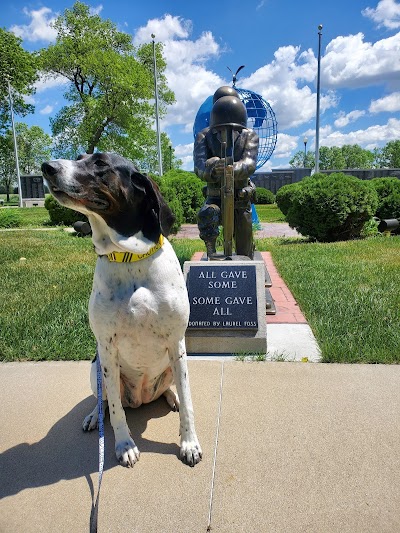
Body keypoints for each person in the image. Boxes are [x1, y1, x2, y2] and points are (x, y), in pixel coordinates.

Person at [194, 86, 259, 259]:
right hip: (215, 195)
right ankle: (211, 251)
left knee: (244, 247)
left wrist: (230, 168)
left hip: (240, 195)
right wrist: (214, 167)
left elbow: (249, 163)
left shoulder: (249, 135)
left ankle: (246, 265)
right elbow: (199, 167)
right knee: (208, 215)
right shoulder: (204, 136)